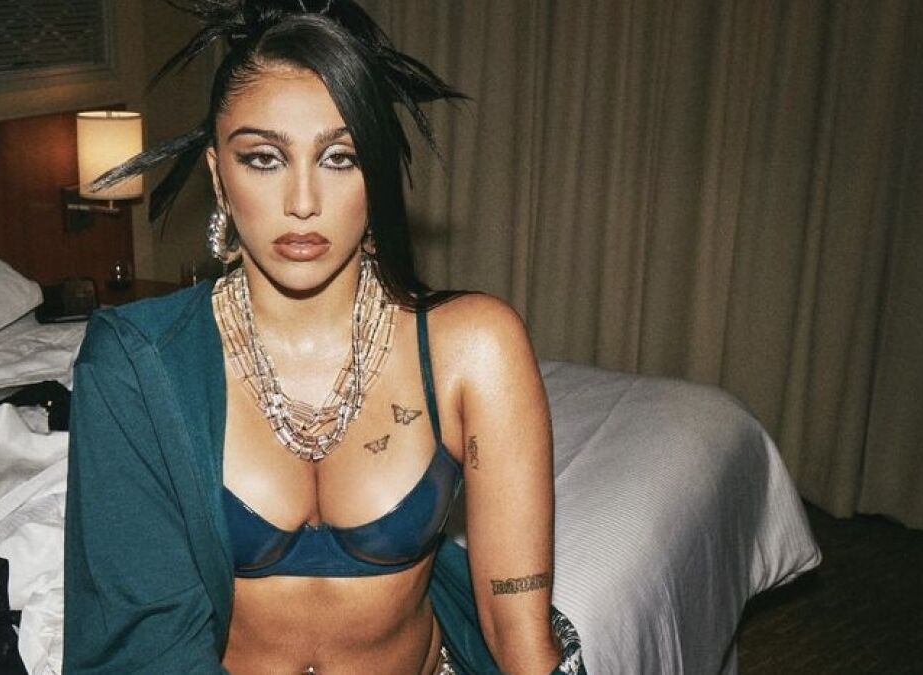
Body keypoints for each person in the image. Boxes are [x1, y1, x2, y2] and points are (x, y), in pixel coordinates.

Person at [63, 1, 584, 673]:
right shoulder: (136, 362)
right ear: (219, 176)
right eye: (263, 158)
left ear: (376, 174)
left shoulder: (474, 347)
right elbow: (147, 647)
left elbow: (521, 638)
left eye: (339, 157)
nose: (303, 201)